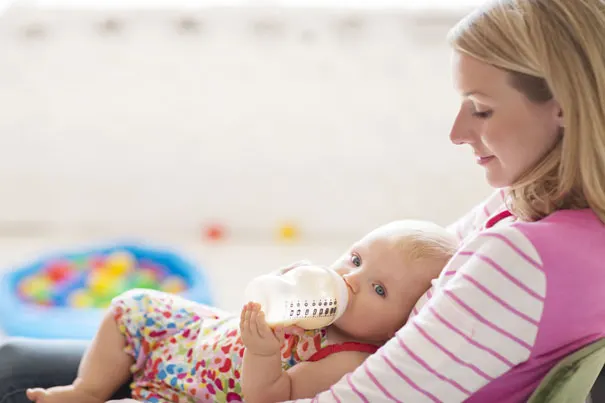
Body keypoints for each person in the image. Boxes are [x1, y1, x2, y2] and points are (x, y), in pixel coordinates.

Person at [2, 0, 605, 401]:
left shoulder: (524, 259)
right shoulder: (536, 212)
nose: (455, 132)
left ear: (563, 107)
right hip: (226, 359)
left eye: (481, 108)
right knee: (38, 351)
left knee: (13, 370)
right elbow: (400, 278)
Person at [24, 220, 457, 403]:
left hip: (200, 393)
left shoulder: (347, 359)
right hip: (198, 339)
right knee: (131, 305)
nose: (352, 281)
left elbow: (270, 396)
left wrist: (264, 353)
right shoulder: (320, 301)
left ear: (401, 325)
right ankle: (88, 387)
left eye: (378, 289)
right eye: (356, 259)